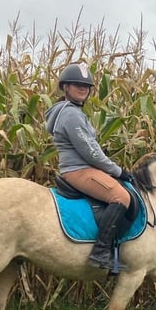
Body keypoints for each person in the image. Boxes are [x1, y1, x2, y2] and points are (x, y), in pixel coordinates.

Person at [45, 63, 134, 271]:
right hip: (79, 170)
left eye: (86, 85)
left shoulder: (69, 111)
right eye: (77, 84)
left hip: (82, 168)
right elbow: (91, 152)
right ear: (65, 87)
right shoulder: (70, 114)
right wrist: (118, 171)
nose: (82, 88)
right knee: (121, 197)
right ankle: (100, 252)